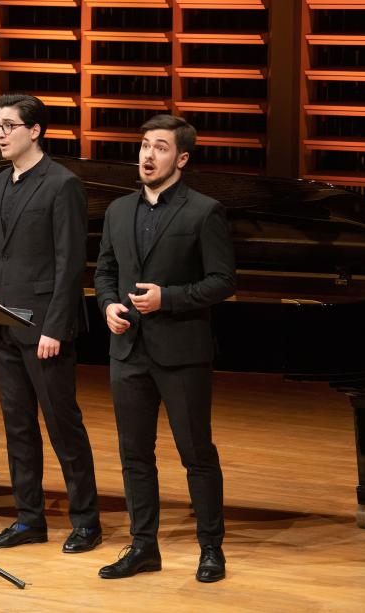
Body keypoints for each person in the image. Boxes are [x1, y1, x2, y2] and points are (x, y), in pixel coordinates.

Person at [93, 114, 236, 583]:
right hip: (127, 351)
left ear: (182, 158)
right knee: (134, 454)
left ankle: (211, 549)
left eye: (159, 147)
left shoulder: (203, 210)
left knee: (196, 453)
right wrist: (110, 305)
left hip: (181, 353)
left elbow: (222, 282)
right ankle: (143, 547)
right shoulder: (117, 211)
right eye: (144, 146)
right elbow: (104, 272)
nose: (148, 155)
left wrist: (166, 299)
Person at [0, 93, 101, 554]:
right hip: (4, 323)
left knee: (62, 425)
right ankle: (29, 519)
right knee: (18, 427)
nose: (1, 135)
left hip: (43, 328)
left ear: (35, 130)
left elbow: (70, 264)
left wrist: (55, 326)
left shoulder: (62, 184)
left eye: (9, 126)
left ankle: (86, 521)